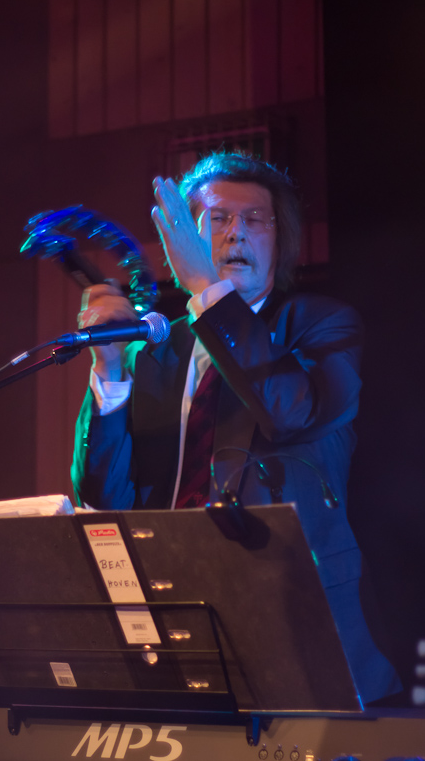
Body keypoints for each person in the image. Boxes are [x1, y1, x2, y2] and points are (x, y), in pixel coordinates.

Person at [72, 150, 400, 705]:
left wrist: (205, 286)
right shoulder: (156, 350)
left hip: (298, 626)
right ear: (184, 239)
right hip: (179, 619)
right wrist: (110, 370)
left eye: (254, 220)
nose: (236, 234)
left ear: (280, 240)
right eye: (218, 219)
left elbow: (288, 412)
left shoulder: (321, 325)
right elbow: (107, 501)